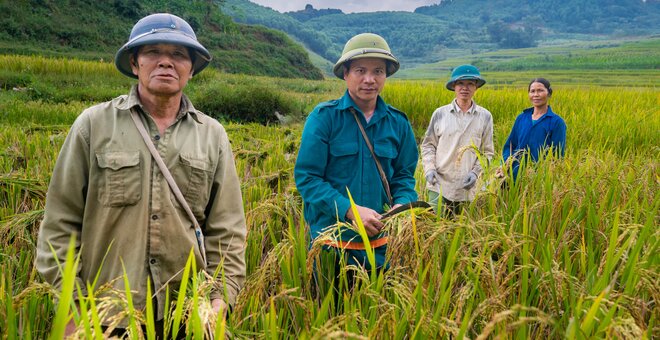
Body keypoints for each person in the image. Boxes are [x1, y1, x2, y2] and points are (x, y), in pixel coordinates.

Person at [35, 13, 247, 336]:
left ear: (191, 69)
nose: (166, 62)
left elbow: (228, 234)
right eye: (153, 53)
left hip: (185, 317)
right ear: (135, 63)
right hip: (105, 317)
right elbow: (59, 228)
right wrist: (72, 309)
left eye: (178, 54)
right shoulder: (93, 126)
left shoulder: (213, 136)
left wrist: (219, 304)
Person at [294, 33, 418, 281]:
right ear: (345, 73)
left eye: (378, 71)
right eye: (360, 70)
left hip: (381, 247)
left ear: (386, 75)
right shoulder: (324, 118)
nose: (369, 79)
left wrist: (401, 205)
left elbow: (404, 177)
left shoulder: (398, 123)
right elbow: (308, 178)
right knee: (329, 313)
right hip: (332, 246)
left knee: (378, 316)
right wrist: (350, 210)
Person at [420, 64, 494, 217]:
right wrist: (429, 169)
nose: (465, 88)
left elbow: (487, 152)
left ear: (476, 88)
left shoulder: (485, 116)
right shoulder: (440, 114)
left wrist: (475, 173)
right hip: (439, 185)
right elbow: (428, 145)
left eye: (470, 84)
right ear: (454, 86)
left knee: (463, 234)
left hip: (468, 189)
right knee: (437, 231)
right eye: (460, 83)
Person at [501, 78, 566, 180]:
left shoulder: (556, 122)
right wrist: (505, 164)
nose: (536, 95)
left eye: (540, 90)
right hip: (513, 175)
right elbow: (510, 145)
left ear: (549, 93)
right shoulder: (522, 118)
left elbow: (557, 156)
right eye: (532, 91)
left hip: (539, 179)